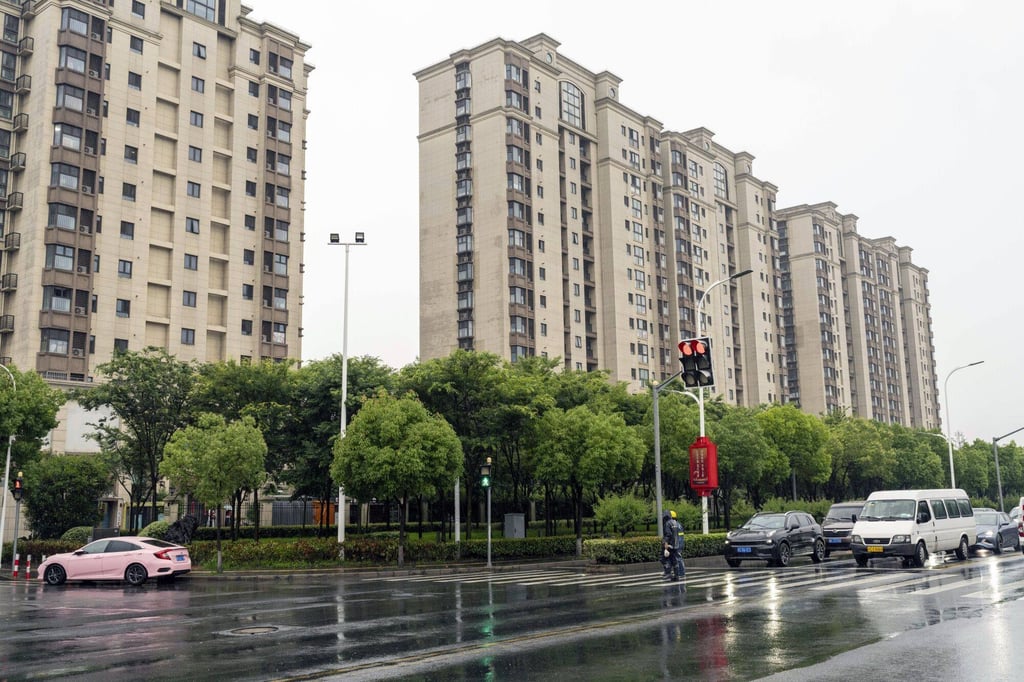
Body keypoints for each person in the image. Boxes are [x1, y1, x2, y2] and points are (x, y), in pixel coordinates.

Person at [662, 510, 685, 581]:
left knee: (677, 558)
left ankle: (680, 573)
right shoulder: (678, 524)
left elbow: (669, 535)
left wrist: (667, 543)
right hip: (678, 543)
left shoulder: (670, 524)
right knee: (676, 558)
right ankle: (676, 573)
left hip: (676, 543)